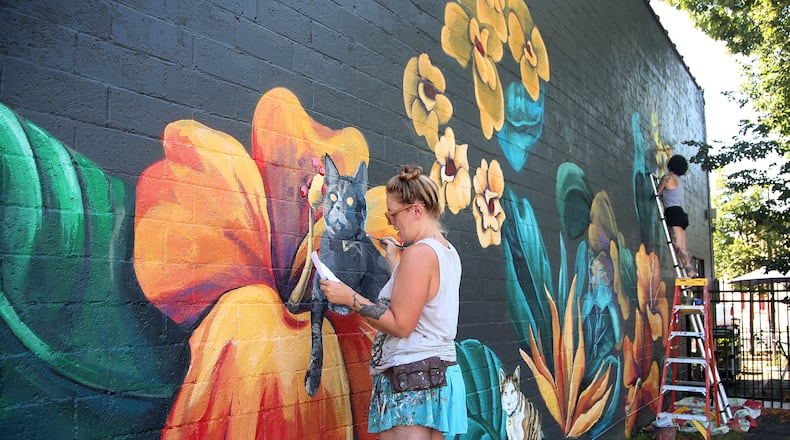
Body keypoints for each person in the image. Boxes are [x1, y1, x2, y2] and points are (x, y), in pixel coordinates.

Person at [320, 164, 467, 440]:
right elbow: (423, 301)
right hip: (437, 377)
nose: (390, 221)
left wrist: (349, 298)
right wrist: (393, 262)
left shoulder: (418, 255)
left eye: (393, 214)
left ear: (416, 210)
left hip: (412, 382)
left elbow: (401, 324)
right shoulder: (448, 252)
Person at [657, 154, 696, 276]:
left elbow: (657, 192)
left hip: (672, 212)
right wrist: (669, 156)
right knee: (682, 244)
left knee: (677, 244)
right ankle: (689, 268)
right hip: (681, 214)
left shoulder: (667, 178)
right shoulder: (679, 181)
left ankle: (689, 269)